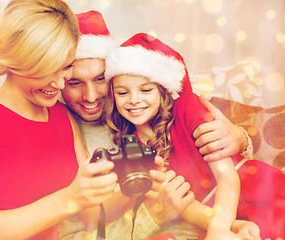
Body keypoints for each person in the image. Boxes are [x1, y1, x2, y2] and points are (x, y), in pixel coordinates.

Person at [60, 11, 258, 240]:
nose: (91, 96)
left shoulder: (157, 107)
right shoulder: (69, 130)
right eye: (75, 83)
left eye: (100, 79)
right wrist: (159, 212)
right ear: (60, 80)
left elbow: (223, 162)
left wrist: (241, 137)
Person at [0, 1, 119, 239]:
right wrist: (69, 198)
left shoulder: (62, 115)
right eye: (47, 70)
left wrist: (145, 183)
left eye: (66, 67)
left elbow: (90, 217)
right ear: (16, 63)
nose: (59, 84)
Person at [105, 32, 285, 239]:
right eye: (122, 93)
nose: (134, 100)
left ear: (162, 89)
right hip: (212, 216)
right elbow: (184, 204)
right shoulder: (131, 148)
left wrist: (219, 228)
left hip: (255, 190)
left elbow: (226, 175)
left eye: (146, 90)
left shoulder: (188, 108)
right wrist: (231, 226)